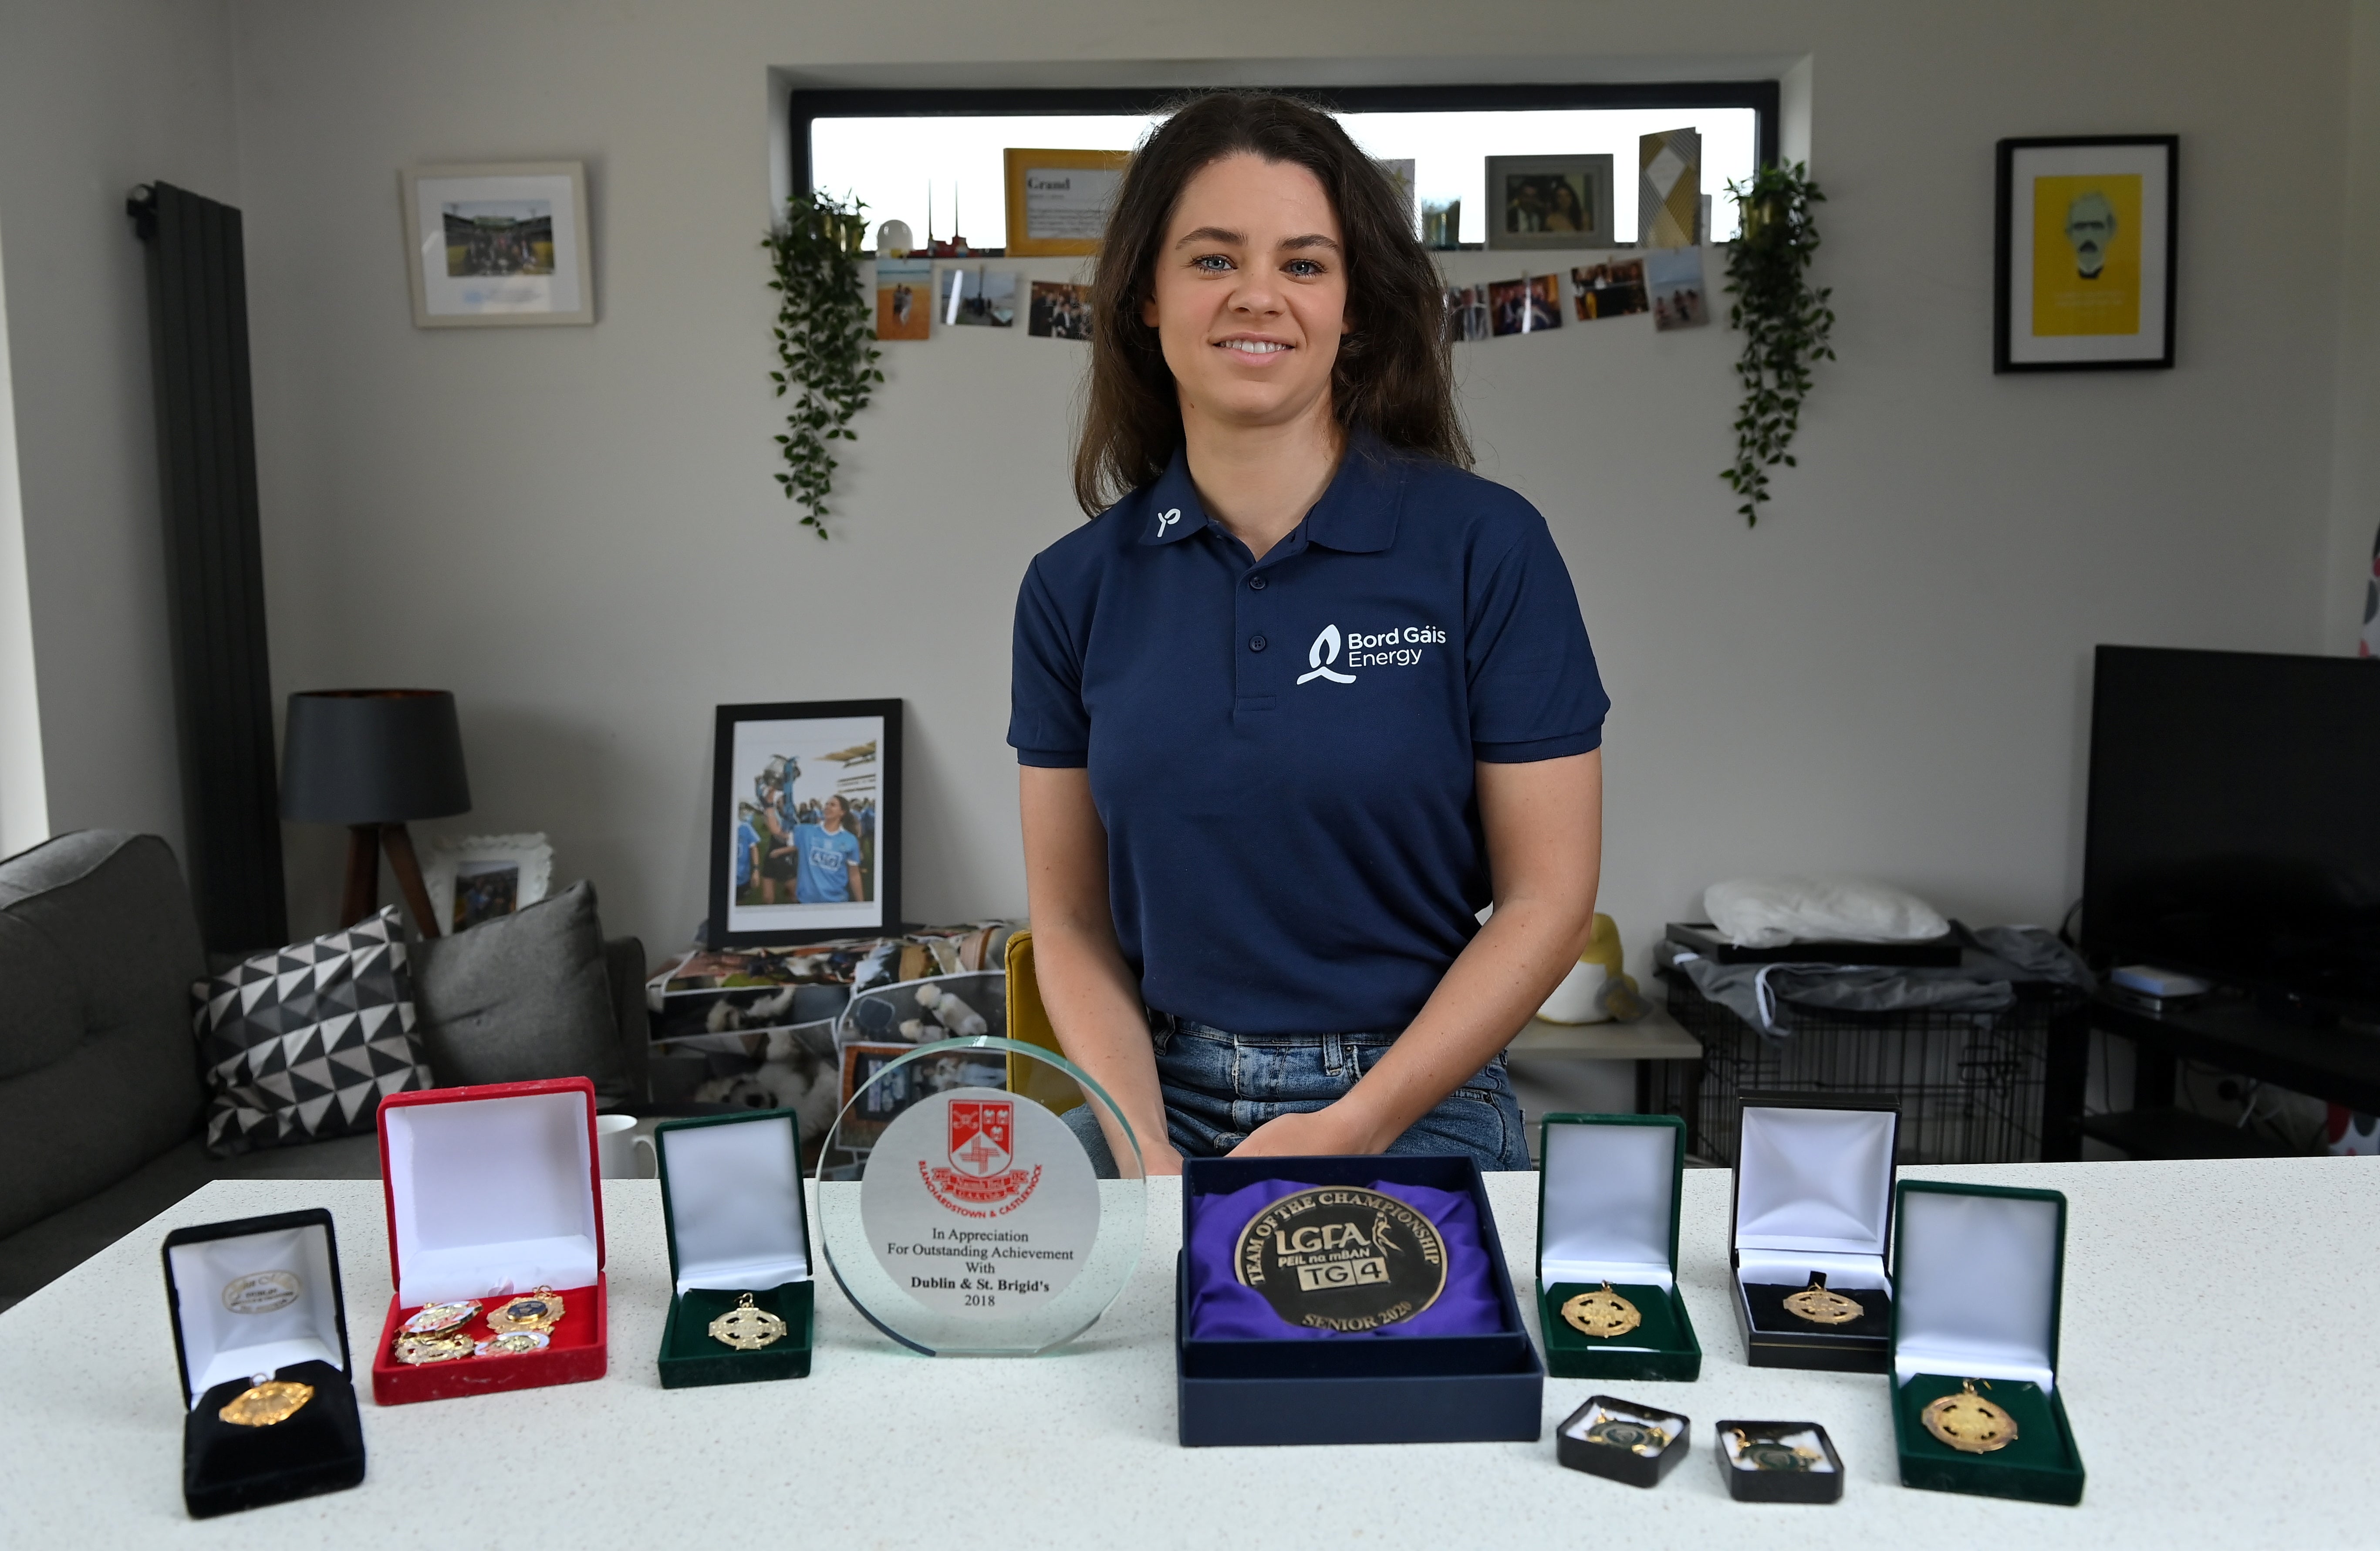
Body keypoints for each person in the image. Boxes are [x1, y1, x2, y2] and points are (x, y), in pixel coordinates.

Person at [1010, 92, 1607, 1177]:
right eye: (1211, 259)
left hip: (1414, 1093)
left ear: (1352, 304)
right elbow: (1069, 922)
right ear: (1145, 294)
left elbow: (1548, 901)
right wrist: (1142, 1149)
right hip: (1155, 1098)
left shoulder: (1486, 546)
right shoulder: (1070, 587)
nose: (1257, 295)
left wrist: (1354, 1124)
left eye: (1302, 263)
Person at [793, 793, 867, 904]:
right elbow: (777, 831)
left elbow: (854, 875)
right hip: (807, 901)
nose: (827, 807)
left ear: (842, 812)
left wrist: (861, 905)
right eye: (827, 804)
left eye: (833, 805)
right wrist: (769, 804)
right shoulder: (806, 831)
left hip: (836, 902)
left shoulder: (850, 840)